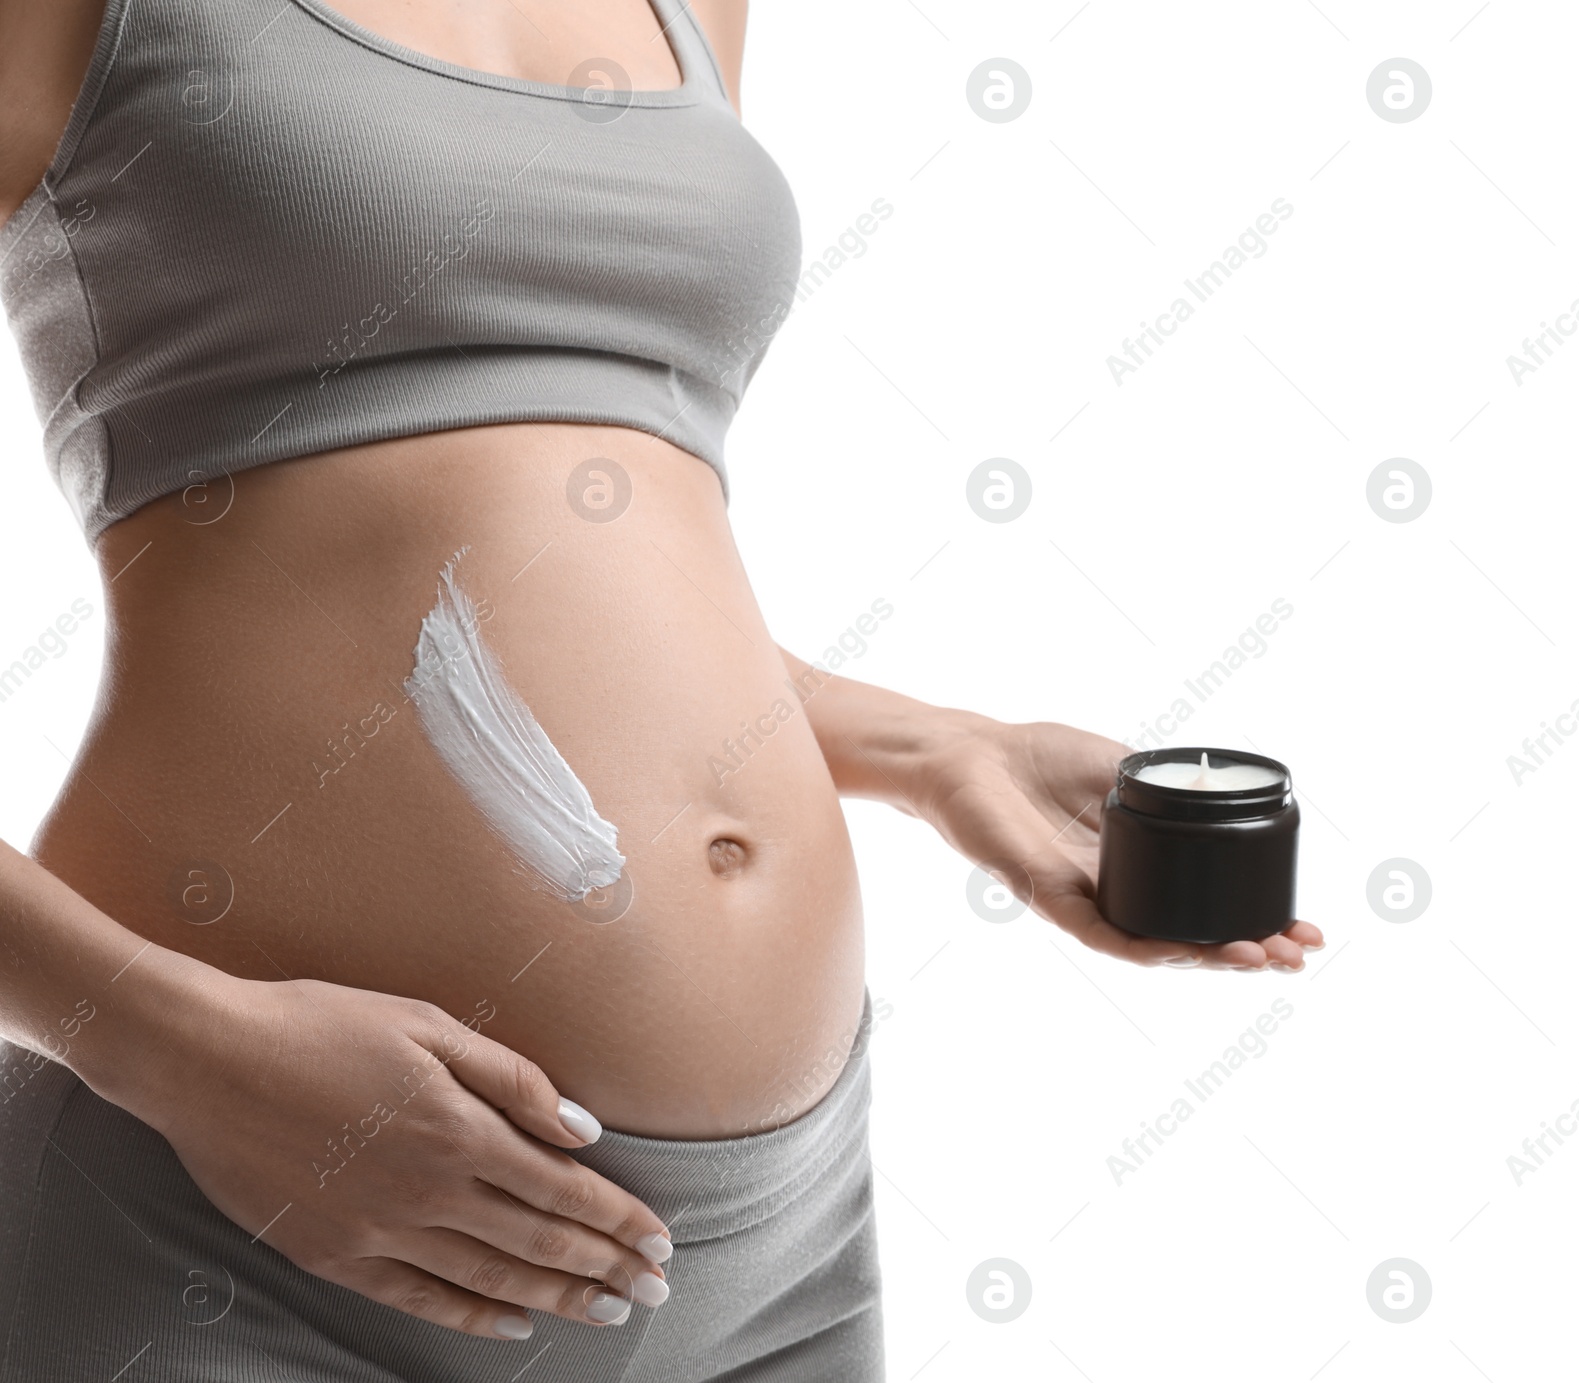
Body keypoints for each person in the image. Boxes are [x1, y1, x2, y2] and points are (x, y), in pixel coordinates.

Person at [0, 1, 1324, 1378]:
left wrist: (940, 749)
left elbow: (572, 562)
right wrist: (169, 1050)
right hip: (241, 1216)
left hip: (775, 1254)